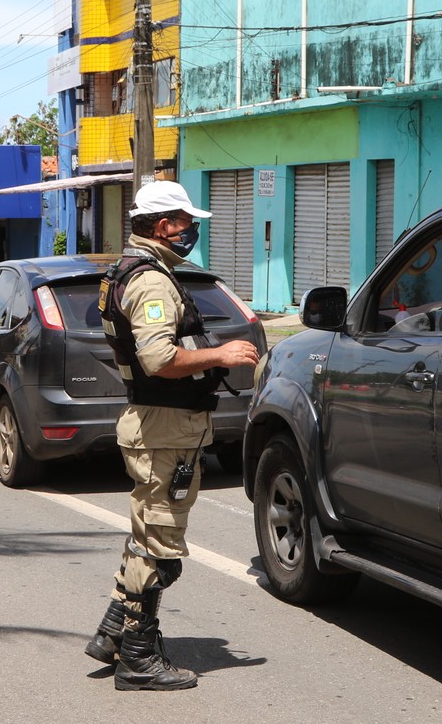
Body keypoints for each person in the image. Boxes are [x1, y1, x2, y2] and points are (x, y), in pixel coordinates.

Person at [85, 181, 260, 691]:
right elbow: (158, 358)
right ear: (164, 226)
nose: (192, 230)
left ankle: (113, 634)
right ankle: (138, 659)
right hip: (164, 427)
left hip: (160, 425)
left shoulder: (133, 270)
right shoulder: (150, 281)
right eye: (187, 222)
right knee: (159, 547)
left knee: (147, 535)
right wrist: (220, 354)